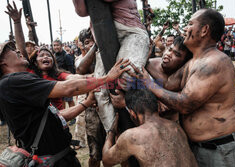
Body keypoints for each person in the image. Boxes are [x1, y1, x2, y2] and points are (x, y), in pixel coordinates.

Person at [130, 9, 235, 167]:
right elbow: (168, 84)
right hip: (200, 148)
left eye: (190, 24)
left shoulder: (214, 62)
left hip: (221, 151)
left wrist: (149, 83)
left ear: (204, 30)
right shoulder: (193, 62)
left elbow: (185, 104)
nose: (185, 29)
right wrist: (141, 61)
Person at [0, 41, 129, 166]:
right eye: (11, 49)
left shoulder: (16, 83)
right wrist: (106, 78)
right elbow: (68, 88)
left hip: (59, 157)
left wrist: (86, 102)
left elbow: (57, 115)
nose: (17, 50)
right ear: (2, 62)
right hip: (50, 160)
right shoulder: (12, 82)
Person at [73, 0, 149, 133]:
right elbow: (81, 11)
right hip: (104, 42)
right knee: (99, 92)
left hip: (131, 33)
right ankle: (113, 134)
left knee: (127, 75)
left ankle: (150, 114)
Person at [102, 89, 198, 167]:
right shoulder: (175, 127)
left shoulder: (132, 137)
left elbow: (106, 161)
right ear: (157, 106)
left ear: (132, 114)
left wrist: (111, 131)